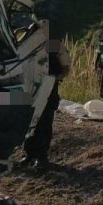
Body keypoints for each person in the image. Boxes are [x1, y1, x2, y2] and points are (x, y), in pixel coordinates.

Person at [20, 40, 72, 170]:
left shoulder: (53, 46)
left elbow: (65, 68)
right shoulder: (24, 45)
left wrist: (53, 79)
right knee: (30, 123)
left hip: (48, 88)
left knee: (44, 122)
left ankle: (41, 157)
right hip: (29, 88)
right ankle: (30, 154)